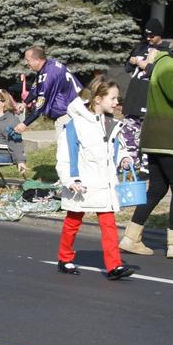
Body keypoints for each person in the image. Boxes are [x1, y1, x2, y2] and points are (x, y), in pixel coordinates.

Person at [119, 33, 173, 260]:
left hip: (157, 138)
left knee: (156, 189)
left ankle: (131, 237)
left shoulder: (167, 64)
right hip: (169, 139)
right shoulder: (167, 64)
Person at [55, 78, 134, 279]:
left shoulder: (112, 123)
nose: (117, 103)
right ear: (98, 99)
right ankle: (65, 258)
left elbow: (119, 148)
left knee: (109, 224)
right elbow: (65, 155)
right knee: (73, 221)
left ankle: (114, 266)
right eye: (113, 98)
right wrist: (70, 180)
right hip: (82, 184)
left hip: (105, 183)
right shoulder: (76, 125)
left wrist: (124, 159)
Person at [121, 18, 166, 171]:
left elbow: (162, 72)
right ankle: (129, 164)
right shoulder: (140, 47)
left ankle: (147, 167)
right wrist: (132, 61)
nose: (149, 39)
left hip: (149, 99)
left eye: (152, 36)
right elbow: (127, 67)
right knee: (128, 132)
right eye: (147, 35)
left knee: (147, 134)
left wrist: (146, 64)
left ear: (159, 35)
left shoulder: (166, 50)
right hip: (134, 97)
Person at [15, 47, 81, 134]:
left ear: (37, 60)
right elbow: (36, 88)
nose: (26, 63)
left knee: (64, 146)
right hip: (75, 108)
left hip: (68, 114)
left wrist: (24, 124)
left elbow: (40, 104)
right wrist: (25, 103)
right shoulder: (49, 64)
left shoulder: (48, 75)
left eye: (28, 60)